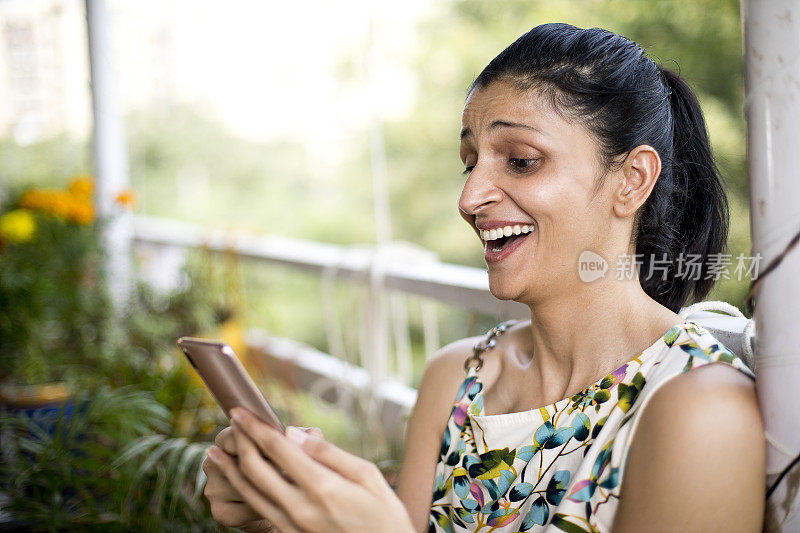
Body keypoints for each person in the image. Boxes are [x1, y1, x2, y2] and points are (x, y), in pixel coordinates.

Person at [201, 23, 765, 532]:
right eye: (470, 162)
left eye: (521, 160)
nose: (470, 198)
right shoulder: (457, 379)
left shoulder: (701, 410)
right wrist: (283, 509)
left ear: (632, 180)